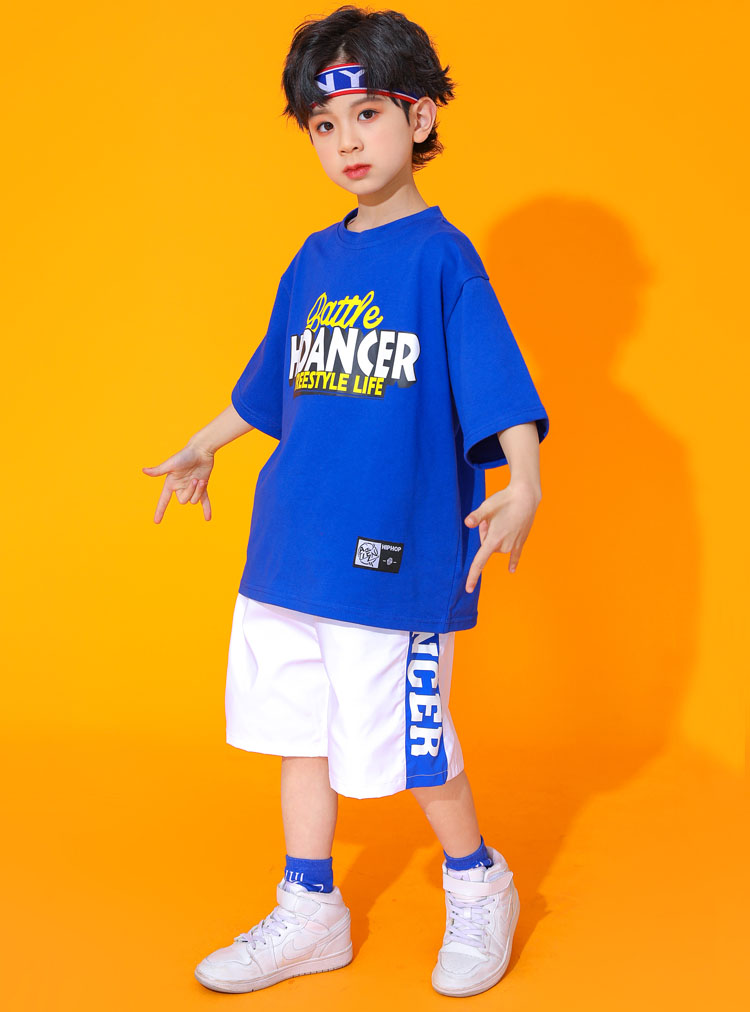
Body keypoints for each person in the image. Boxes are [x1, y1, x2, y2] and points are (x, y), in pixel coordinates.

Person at [143, 5, 549, 999]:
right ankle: (311, 907)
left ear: (418, 117)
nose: (346, 142)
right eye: (324, 126)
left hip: (391, 556)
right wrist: (205, 442)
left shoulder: (442, 258)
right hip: (292, 547)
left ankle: (478, 882)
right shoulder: (313, 262)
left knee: (416, 744)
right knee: (299, 732)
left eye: (366, 114)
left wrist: (524, 479)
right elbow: (273, 379)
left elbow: (496, 381)